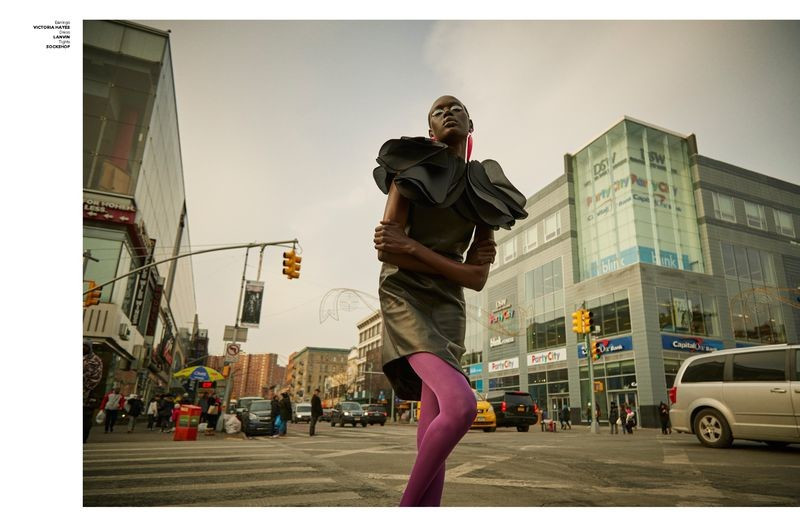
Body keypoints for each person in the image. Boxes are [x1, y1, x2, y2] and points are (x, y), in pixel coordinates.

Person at [373, 96, 527, 507]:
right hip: (404, 294)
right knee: (459, 407)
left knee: (432, 425)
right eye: (438, 111)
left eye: (456, 107)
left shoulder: (486, 189)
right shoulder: (410, 172)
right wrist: (435, 260)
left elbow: (476, 279)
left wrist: (416, 248)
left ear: (470, 123)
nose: (448, 112)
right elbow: (388, 250)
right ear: (430, 132)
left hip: (448, 305)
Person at [83, 340, 103, 443]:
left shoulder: (95, 360)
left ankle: (83, 437)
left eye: (85, 346)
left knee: (85, 417)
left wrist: (86, 388)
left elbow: (96, 377)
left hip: (86, 393)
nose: (83, 348)